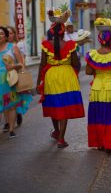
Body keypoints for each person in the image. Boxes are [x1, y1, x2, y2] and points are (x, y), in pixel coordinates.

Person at [37, 20, 85, 148]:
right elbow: (75, 63)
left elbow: (42, 64)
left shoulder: (46, 45)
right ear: (63, 32)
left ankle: (57, 131)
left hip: (51, 76)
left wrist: (38, 82)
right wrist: (75, 73)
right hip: (67, 76)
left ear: (51, 32)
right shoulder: (70, 45)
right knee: (65, 106)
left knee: (54, 105)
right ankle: (61, 139)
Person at [0, 26, 29, 138]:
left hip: (9, 81)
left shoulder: (13, 47)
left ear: (6, 36)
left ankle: (11, 129)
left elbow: (21, 64)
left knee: (11, 106)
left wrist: (12, 66)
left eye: (2, 33)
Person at [6, 26, 27, 127]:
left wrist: (22, 72)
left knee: (14, 97)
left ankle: (17, 113)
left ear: (14, 34)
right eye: (7, 33)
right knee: (6, 98)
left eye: (11, 33)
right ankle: (8, 121)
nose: (9, 35)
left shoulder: (18, 45)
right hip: (4, 76)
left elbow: (22, 60)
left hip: (15, 74)